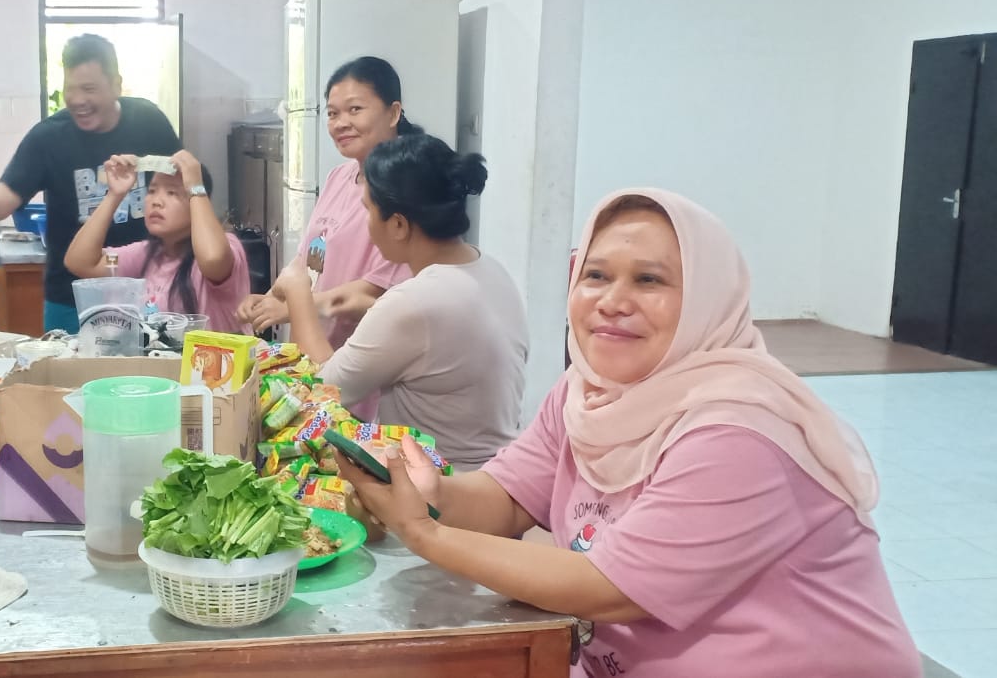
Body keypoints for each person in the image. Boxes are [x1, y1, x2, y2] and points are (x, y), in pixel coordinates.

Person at [340, 189, 919, 677]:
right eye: (595, 275)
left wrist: (425, 532)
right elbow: (508, 497)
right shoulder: (587, 393)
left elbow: (608, 587)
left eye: (649, 280)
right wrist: (433, 493)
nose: (613, 302)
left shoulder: (737, 431)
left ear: (707, 299)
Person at [276, 134, 525, 469]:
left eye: (368, 210)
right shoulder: (492, 270)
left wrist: (298, 293)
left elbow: (322, 391)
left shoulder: (414, 303)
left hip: (441, 484)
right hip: (497, 475)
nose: (367, 224)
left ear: (397, 224)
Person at [0, 34, 182, 333]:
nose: (77, 100)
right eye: (69, 89)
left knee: (146, 364)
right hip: (71, 297)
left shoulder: (147, 121)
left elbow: (182, 179)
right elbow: (5, 196)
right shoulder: (48, 137)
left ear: (116, 84)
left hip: (146, 293)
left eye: (89, 89)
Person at [237, 56, 414, 348]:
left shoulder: (407, 189)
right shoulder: (338, 177)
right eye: (332, 113)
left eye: (355, 109)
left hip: (362, 360)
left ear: (393, 113)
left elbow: (379, 292)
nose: (340, 123)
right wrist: (271, 298)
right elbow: (311, 257)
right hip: (312, 354)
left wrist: (296, 306)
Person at [63, 150, 250, 333]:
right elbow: (80, 262)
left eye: (172, 193)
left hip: (219, 354)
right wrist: (114, 195)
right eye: (152, 191)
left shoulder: (226, 244)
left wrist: (196, 188)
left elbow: (213, 259)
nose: (156, 201)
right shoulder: (146, 253)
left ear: (197, 202)